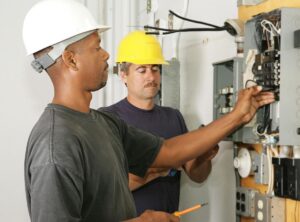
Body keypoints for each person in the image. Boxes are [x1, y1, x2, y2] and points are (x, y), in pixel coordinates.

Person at [22, 0, 274, 221]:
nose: (106, 54)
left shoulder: (103, 123)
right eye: (97, 47)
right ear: (70, 59)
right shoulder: (55, 144)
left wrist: (239, 114)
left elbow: (168, 151)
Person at [100, 30, 219, 215]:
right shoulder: (109, 119)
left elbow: (198, 176)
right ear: (123, 75)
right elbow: (110, 187)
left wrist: (203, 154)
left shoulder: (173, 118)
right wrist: (163, 167)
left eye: (155, 69)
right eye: (142, 70)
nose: (151, 76)